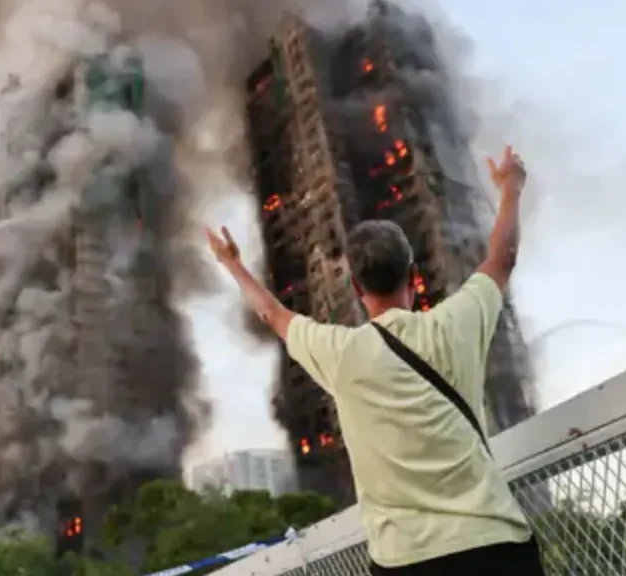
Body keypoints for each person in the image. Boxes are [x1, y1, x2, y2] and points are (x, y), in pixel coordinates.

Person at [205, 146, 545, 575]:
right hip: (494, 547)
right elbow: (503, 258)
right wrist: (511, 189)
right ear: (413, 276)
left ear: (355, 286)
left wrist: (233, 264)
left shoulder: (341, 353)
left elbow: (272, 314)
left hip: (406, 560)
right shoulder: (458, 323)